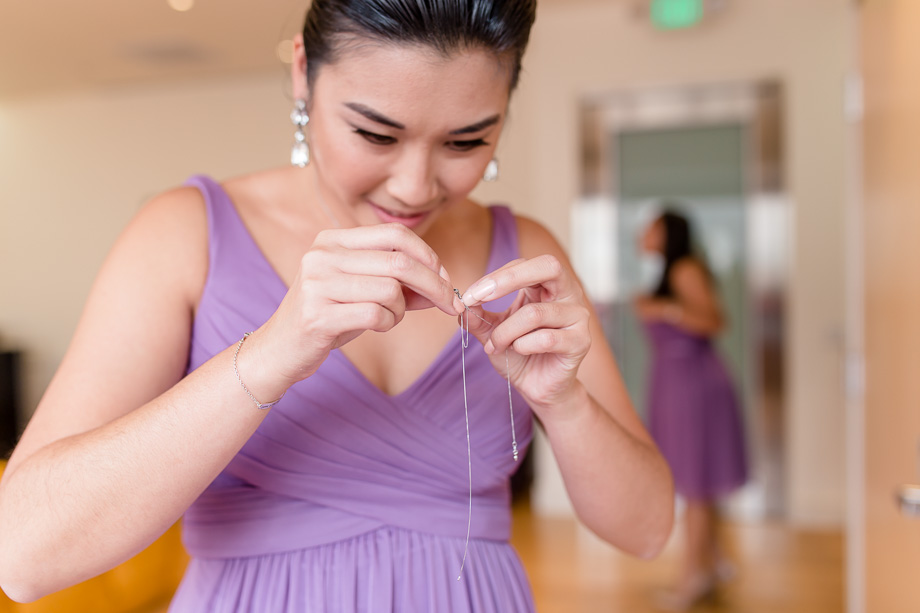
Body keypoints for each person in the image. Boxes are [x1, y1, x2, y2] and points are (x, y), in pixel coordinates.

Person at [0, 1, 674, 610]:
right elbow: (23, 556)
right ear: (302, 74)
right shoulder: (185, 234)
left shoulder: (523, 251)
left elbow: (646, 531)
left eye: (466, 141)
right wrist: (273, 352)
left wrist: (567, 403)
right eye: (376, 134)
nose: (415, 186)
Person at [634, 209, 748, 611]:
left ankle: (691, 577)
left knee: (697, 482)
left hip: (695, 386)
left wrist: (663, 309)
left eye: (651, 227)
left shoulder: (684, 270)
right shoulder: (668, 272)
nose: (642, 232)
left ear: (668, 234)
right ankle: (715, 562)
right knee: (699, 476)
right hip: (676, 383)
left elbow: (715, 321)